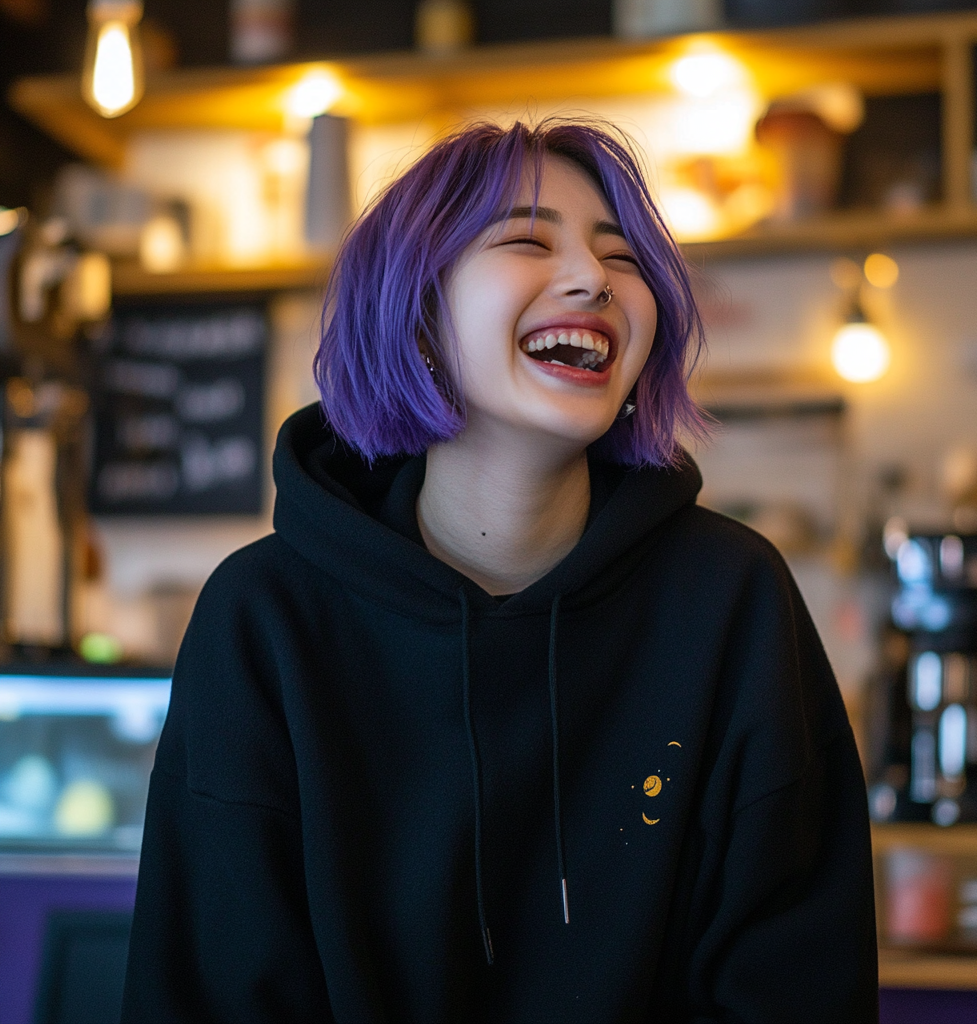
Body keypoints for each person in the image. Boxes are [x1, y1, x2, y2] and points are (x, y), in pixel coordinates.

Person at [122, 118, 878, 1023]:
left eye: (621, 256)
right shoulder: (265, 618)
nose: (595, 278)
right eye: (526, 240)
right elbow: (215, 987)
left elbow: (795, 982)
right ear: (419, 313)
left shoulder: (732, 601)